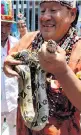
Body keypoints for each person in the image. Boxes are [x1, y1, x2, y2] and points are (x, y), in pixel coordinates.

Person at [3, 1, 81, 135]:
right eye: (42, 11)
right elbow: (10, 63)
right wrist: (8, 66)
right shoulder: (28, 40)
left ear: (72, 14)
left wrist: (63, 71)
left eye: (53, 10)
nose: (45, 17)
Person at [1, 1, 27, 135]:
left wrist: (25, 36)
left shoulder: (17, 44)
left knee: (15, 131)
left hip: (13, 101)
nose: (3, 30)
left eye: (7, 25)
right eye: (0, 25)